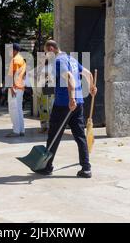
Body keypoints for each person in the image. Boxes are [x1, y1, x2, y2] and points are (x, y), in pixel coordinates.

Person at [36, 40, 97, 178]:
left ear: (51, 49)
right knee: (80, 136)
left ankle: (47, 166)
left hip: (64, 104)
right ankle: (86, 168)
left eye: (46, 53)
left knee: (53, 135)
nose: (46, 56)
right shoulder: (72, 59)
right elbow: (89, 74)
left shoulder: (58, 61)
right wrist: (92, 87)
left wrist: (71, 98)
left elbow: (69, 77)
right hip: (79, 103)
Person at [6, 43, 26, 137]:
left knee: (13, 109)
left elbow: (14, 75)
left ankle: (16, 131)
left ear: (15, 50)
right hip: (20, 87)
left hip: (15, 88)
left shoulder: (15, 60)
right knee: (19, 109)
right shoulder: (21, 59)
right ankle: (21, 130)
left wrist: (11, 87)